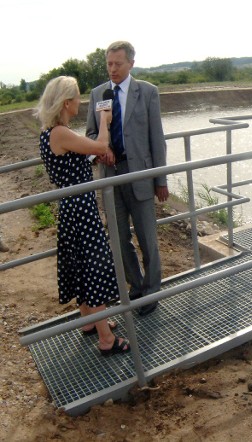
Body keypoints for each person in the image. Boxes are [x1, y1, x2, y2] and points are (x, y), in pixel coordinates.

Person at [34, 76, 129, 356]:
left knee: (81, 265)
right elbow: (100, 146)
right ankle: (106, 339)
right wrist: (104, 120)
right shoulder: (60, 133)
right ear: (67, 102)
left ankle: (89, 321)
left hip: (71, 207)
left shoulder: (51, 132)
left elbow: (74, 158)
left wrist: (88, 157)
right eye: (77, 98)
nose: (80, 103)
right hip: (81, 210)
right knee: (93, 270)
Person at [86, 41, 168, 316]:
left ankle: (153, 290)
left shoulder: (147, 92)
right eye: (109, 64)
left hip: (142, 176)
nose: (112, 69)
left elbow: (157, 138)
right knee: (119, 240)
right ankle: (137, 287)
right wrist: (100, 150)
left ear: (131, 63)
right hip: (110, 178)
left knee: (147, 237)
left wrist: (161, 179)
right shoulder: (98, 94)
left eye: (117, 64)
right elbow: (89, 135)